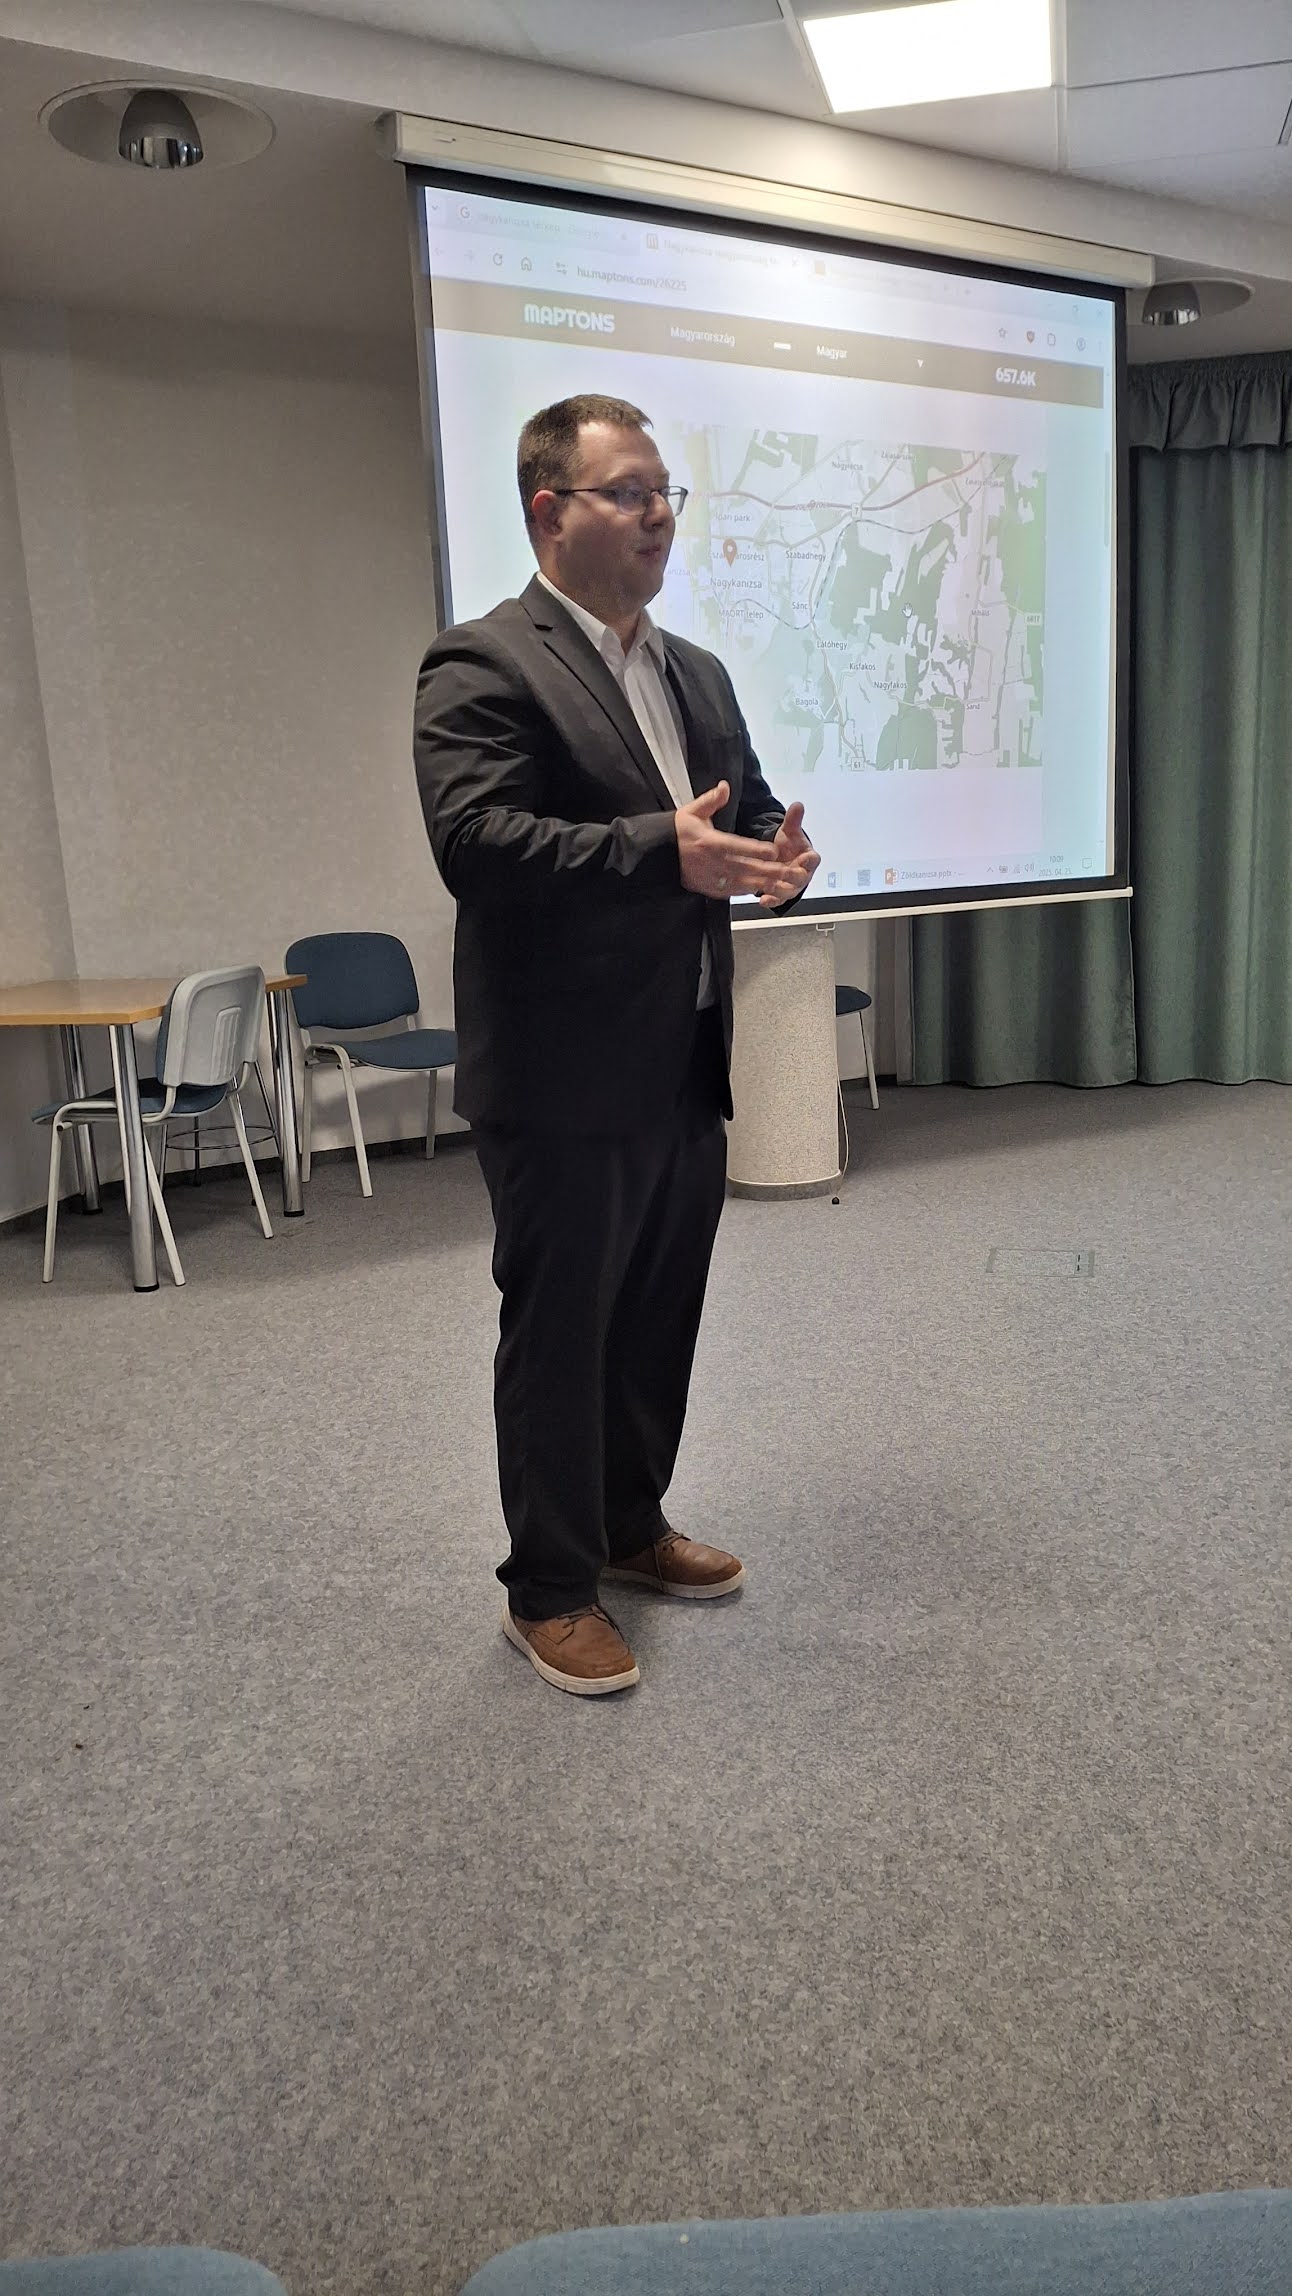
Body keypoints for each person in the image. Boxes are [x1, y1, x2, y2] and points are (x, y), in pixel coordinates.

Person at [413, 393, 820, 1697]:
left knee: (655, 1315)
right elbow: (478, 845)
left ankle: (631, 1526)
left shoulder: (694, 670)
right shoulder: (483, 663)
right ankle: (547, 1590)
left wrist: (778, 860)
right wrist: (664, 850)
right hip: (559, 1074)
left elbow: (741, 815)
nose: (659, 517)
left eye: (665, 494)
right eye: (630, 492)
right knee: (561, 1331)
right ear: (551, 511)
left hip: (683, 1053)